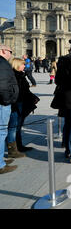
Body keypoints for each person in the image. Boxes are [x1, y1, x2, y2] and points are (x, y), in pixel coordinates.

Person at [7, 58, 38, 158]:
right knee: (13, 127)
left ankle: (19, 146)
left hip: (21, 102)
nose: (25, 66)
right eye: (23, 64)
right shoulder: (14, 76)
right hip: (16, 104)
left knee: (18, 125)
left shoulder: (20, 75)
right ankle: (13, 149)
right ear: (16, 65)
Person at [0, 45, 19, 174]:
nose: (11, 54)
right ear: (2, 51)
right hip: (2, 103)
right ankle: (0, 164)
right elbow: (2, 85)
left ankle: (0, 159)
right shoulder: (2, 63)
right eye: (10, 51)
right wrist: (7, 100)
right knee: (1, 133)